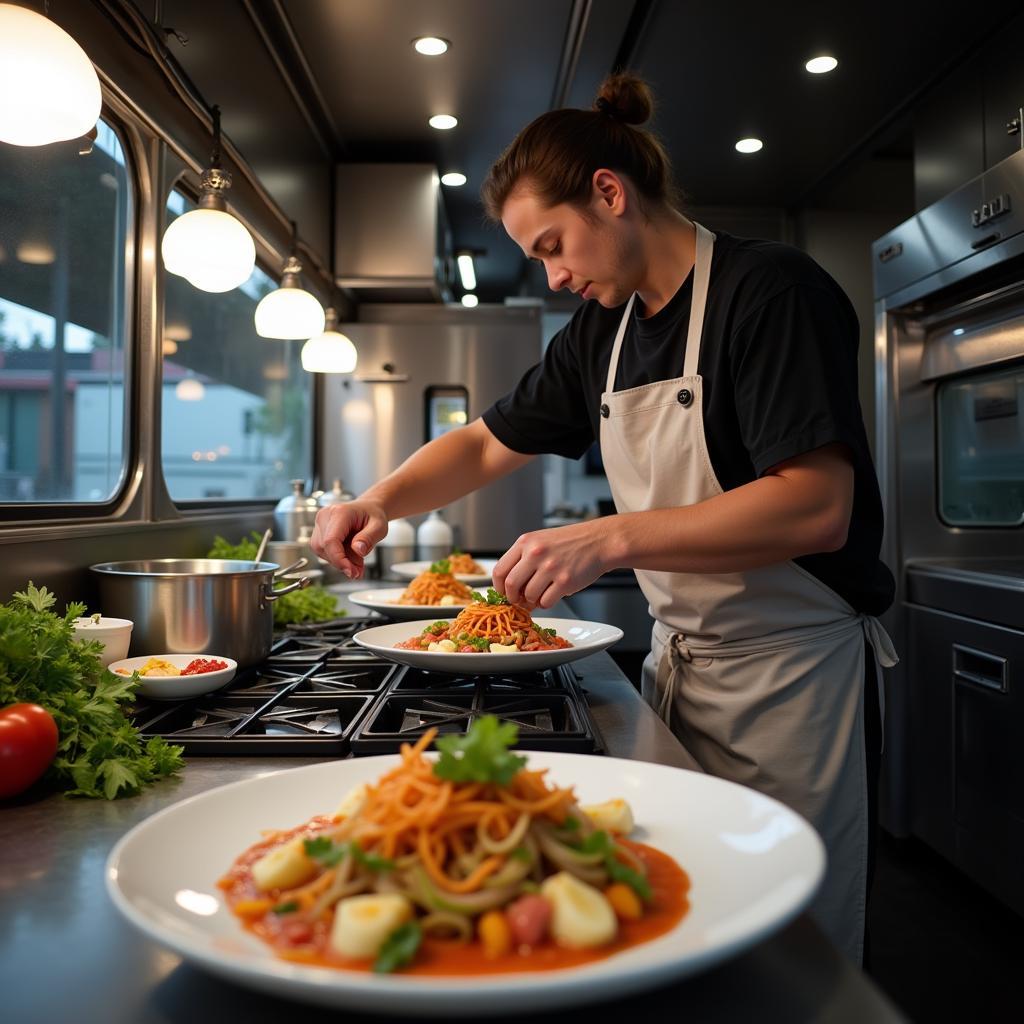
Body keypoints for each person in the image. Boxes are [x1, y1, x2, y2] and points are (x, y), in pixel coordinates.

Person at [310, 72, 897, 963]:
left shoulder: (771, 292)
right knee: (684, 924)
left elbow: (816, 506)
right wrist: (378, 499)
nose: (553, 274)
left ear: (611, 195)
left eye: (553, 244)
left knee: (787, 945)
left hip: (792, 687)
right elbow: (481, 444)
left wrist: (610, 535)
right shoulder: (603, 335)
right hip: (682, 670)